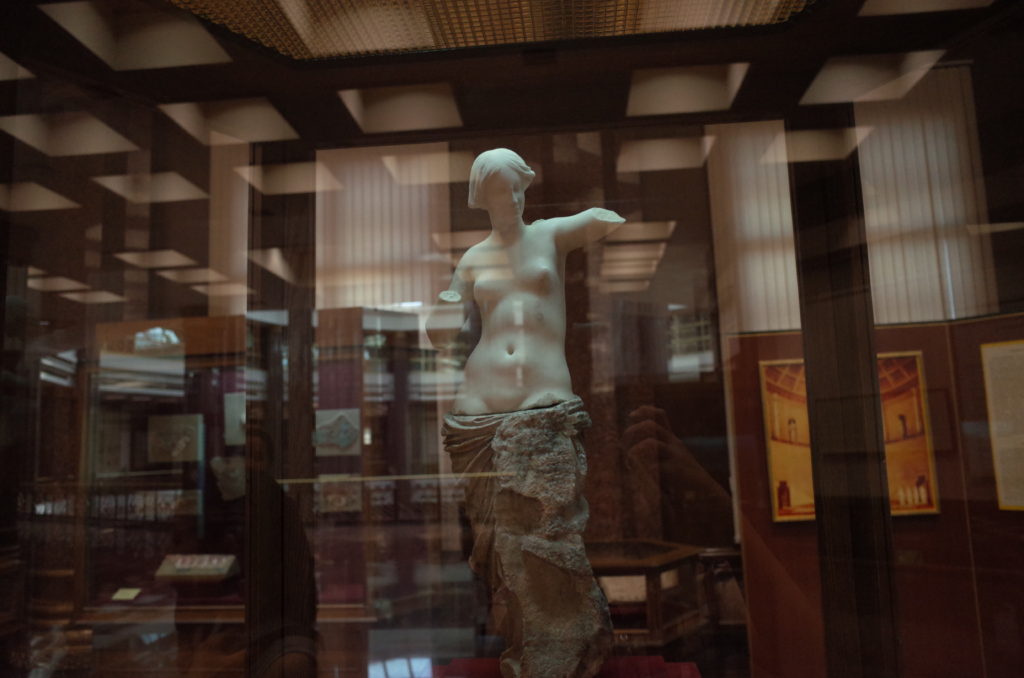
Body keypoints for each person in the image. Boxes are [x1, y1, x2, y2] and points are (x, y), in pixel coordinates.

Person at [428, 148, 623, 678]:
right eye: (499, 191)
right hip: (478, 404)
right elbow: (439, 336)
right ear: (482, 198)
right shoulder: (473, 258)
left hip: (543, 400)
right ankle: (526, 645)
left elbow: (600, 220)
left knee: (548, 535)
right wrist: (447, 302)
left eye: (517, 187)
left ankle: (557, 648)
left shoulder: (550, 236)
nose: (511, 199)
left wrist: (602, 211)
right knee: (500, 547)